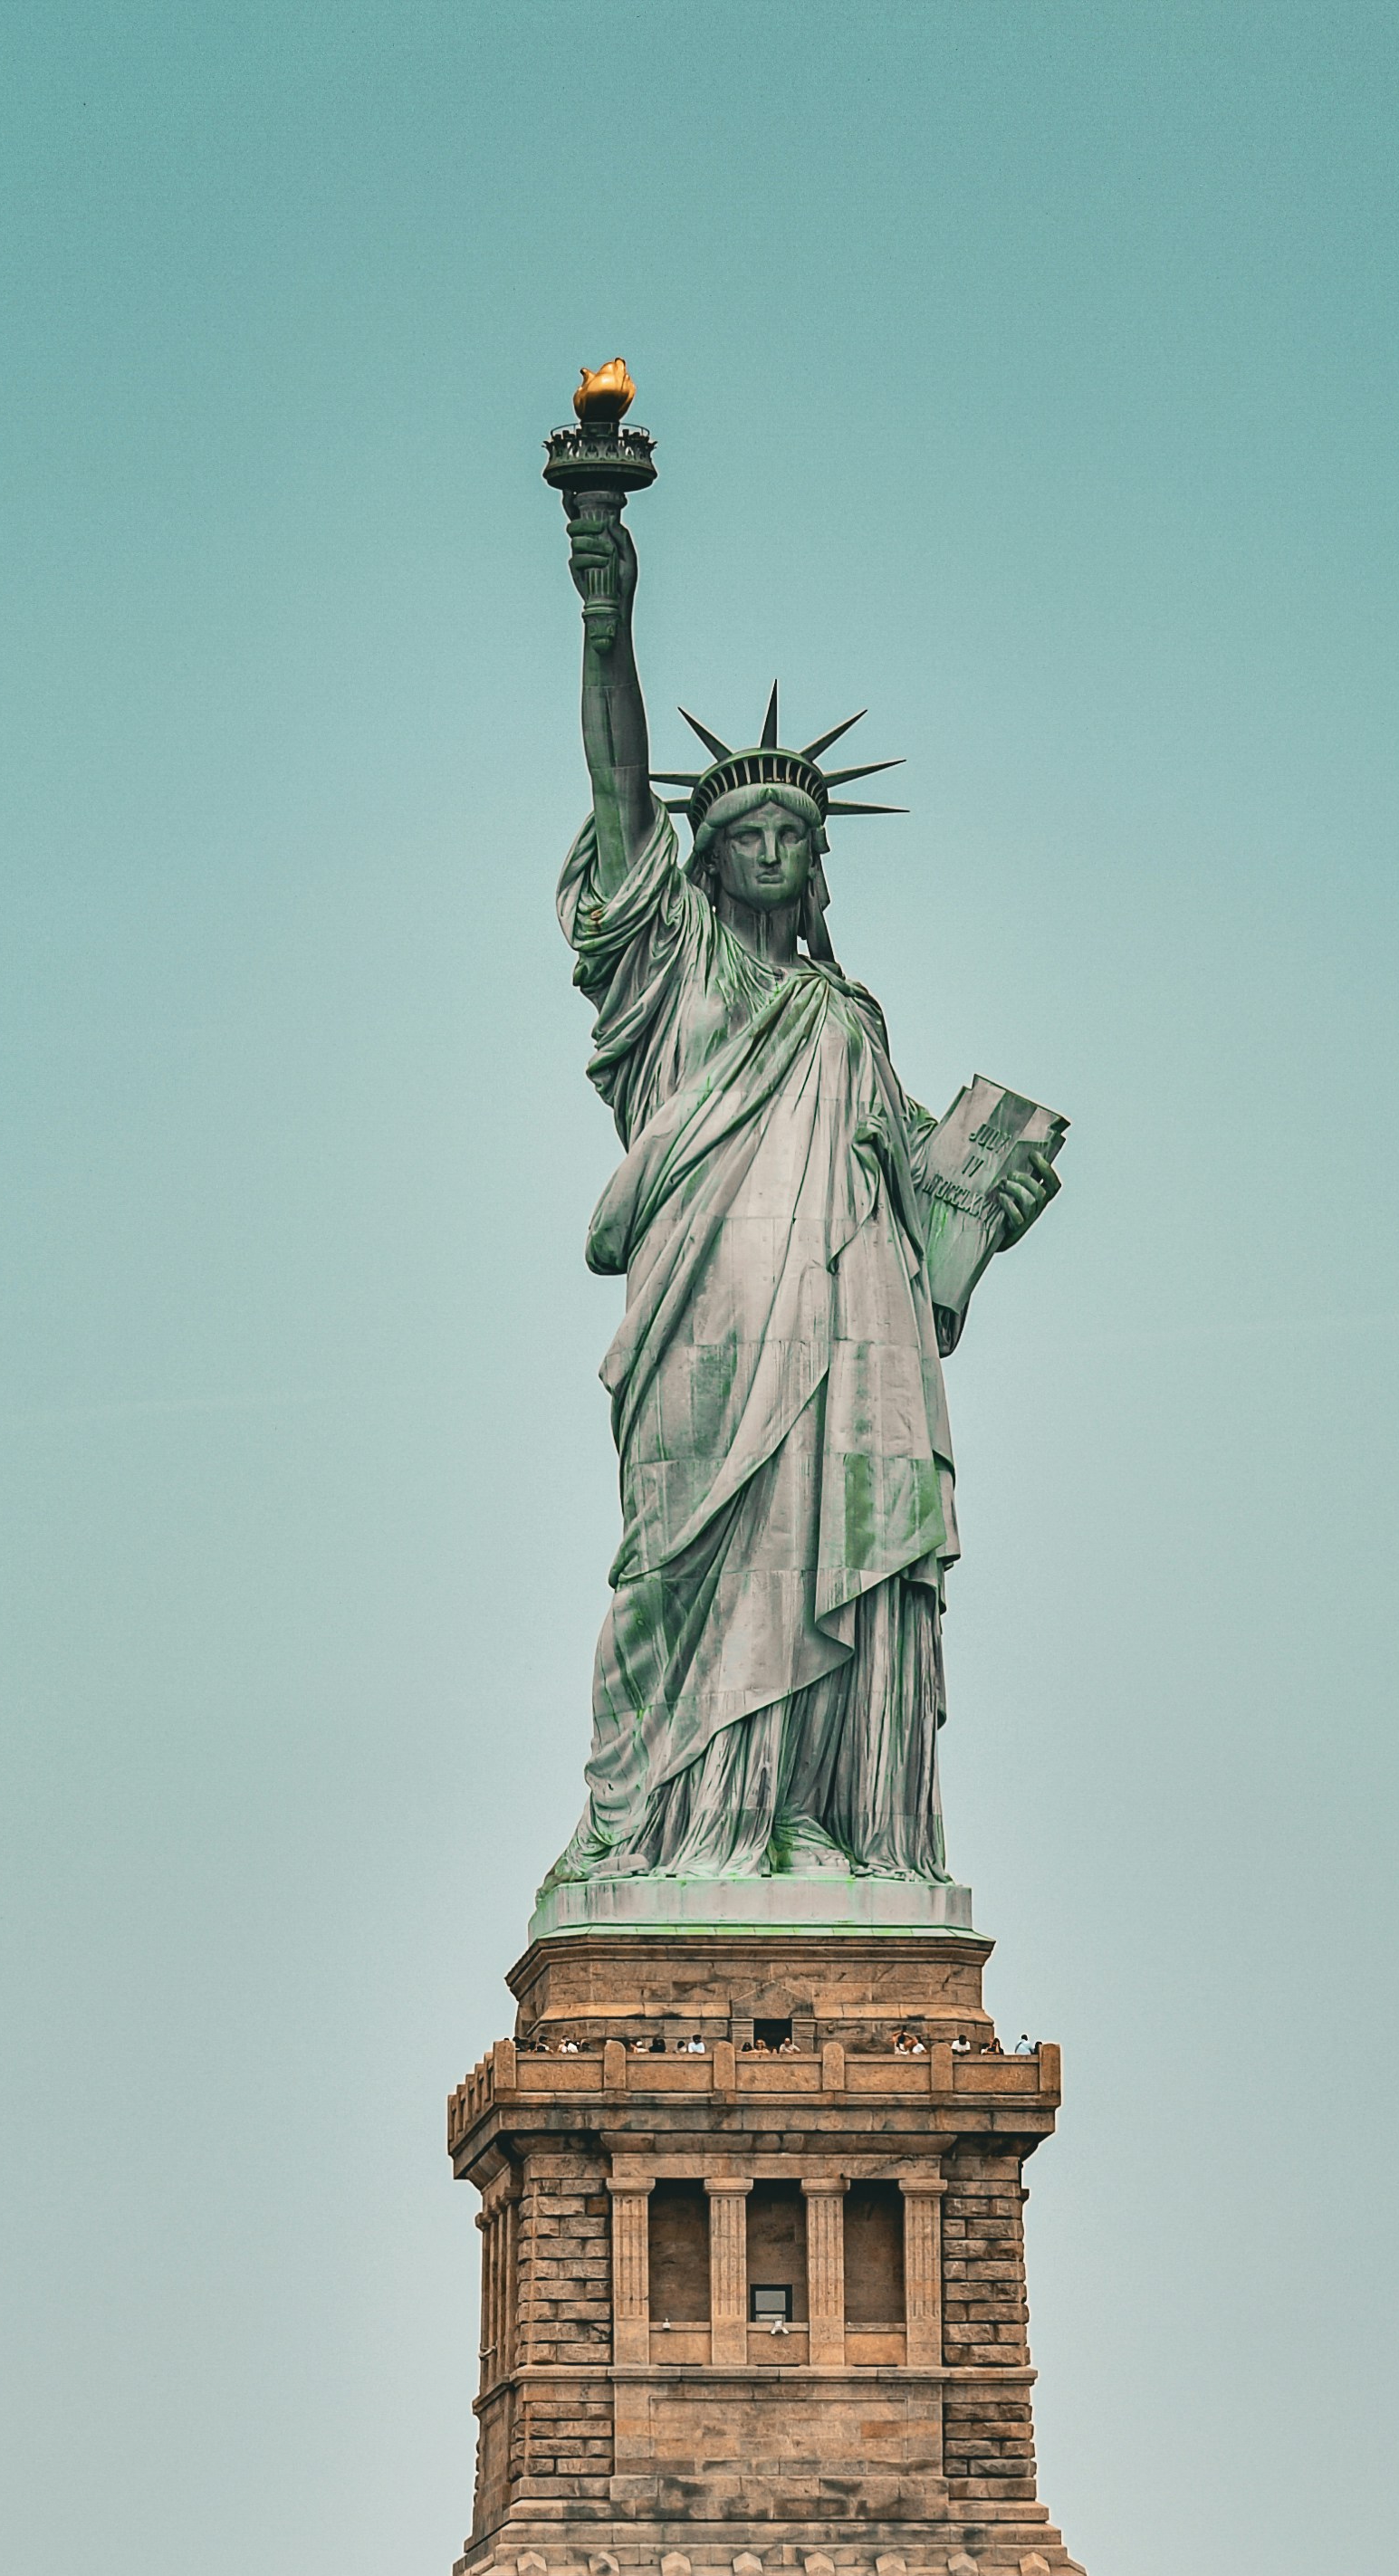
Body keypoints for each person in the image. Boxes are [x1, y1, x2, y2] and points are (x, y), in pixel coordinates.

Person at [534, 469, 1061, 1904]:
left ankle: (812, 1816)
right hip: (711, 1312)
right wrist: (604, 596)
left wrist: (980, 1206)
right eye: (745, 834)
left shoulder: (849, 1018)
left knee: (838, 1544)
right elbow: (616, 789)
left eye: (795, 836)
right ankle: (671, 1814)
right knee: (686, 1560)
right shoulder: (672, 972)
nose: (771, 849)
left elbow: (920, 1197)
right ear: (704, 861)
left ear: (817, 865)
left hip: (853, 1326)